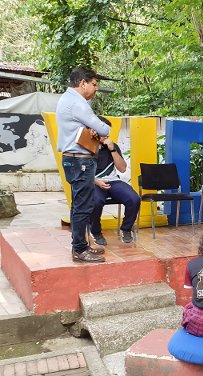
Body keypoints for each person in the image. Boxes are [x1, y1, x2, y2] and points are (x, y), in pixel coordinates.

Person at [56, 66, 111, 263]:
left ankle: (81, 244)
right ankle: (79, 249)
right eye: (94, 84)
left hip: (74, 160)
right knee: (83, 205)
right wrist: (98, 129)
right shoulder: (77, 103)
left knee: (79, 204)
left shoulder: (66, 99)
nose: (96, 89)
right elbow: (104, 127)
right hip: (81, 162)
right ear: (83, 83)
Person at [89, 116, 140, 245]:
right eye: (104, 131)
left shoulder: (113, 146)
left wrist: (112, 149)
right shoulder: (86, 146)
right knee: (96, 201)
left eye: (108, 132)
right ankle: (95, 231)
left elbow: (122, 169)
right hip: (93, 182)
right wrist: (96, 182)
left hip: (113, 181)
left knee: (134, 199)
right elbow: (81, 171)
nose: (106, 135)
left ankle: (126, 229)